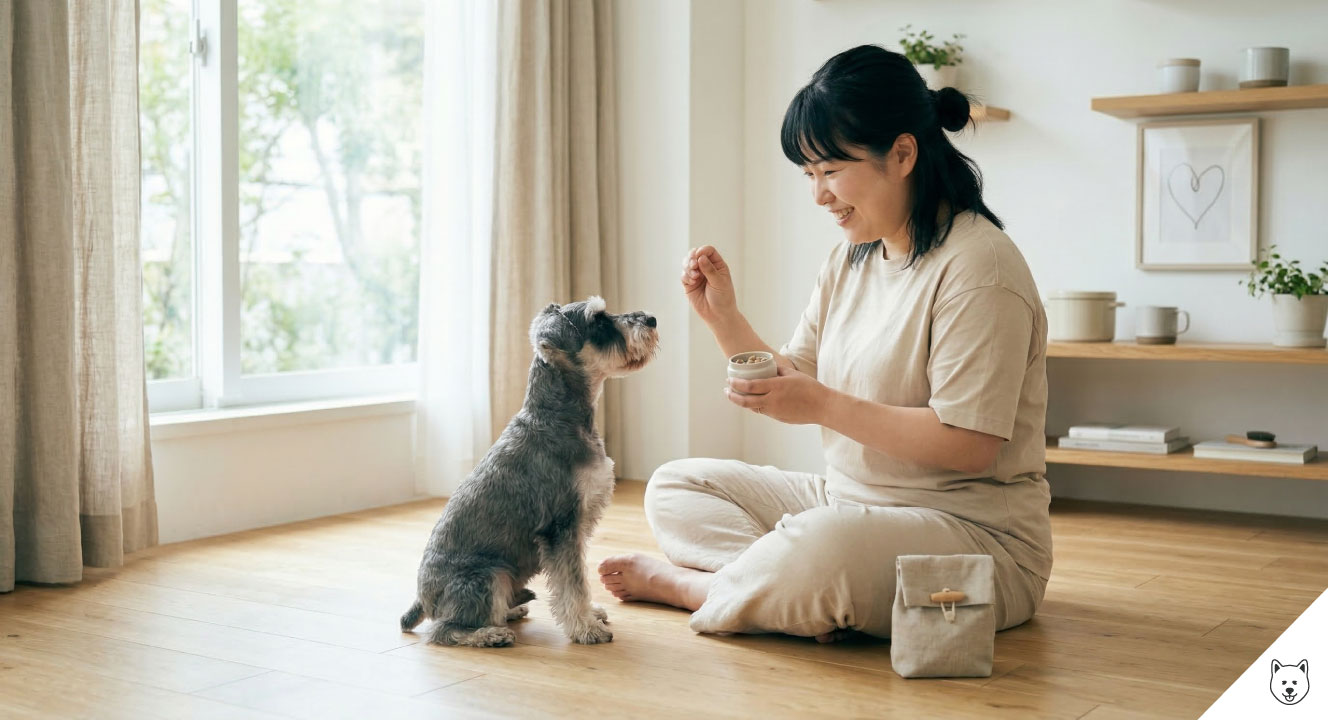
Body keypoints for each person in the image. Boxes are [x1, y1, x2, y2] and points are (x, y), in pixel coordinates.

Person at [598, 44, 1051, 642]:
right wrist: (723, 318)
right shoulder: (851, 258)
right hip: (846, 503)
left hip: (974, 536)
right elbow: (794, 377)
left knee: (825, 547)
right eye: (809, 174)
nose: (819, 195)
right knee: (678, 485)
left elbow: (970, 446)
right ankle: (782, 587)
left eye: (832, 170)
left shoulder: (979, 266)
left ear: (903, 153)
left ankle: (705, 588)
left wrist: (821, 405)